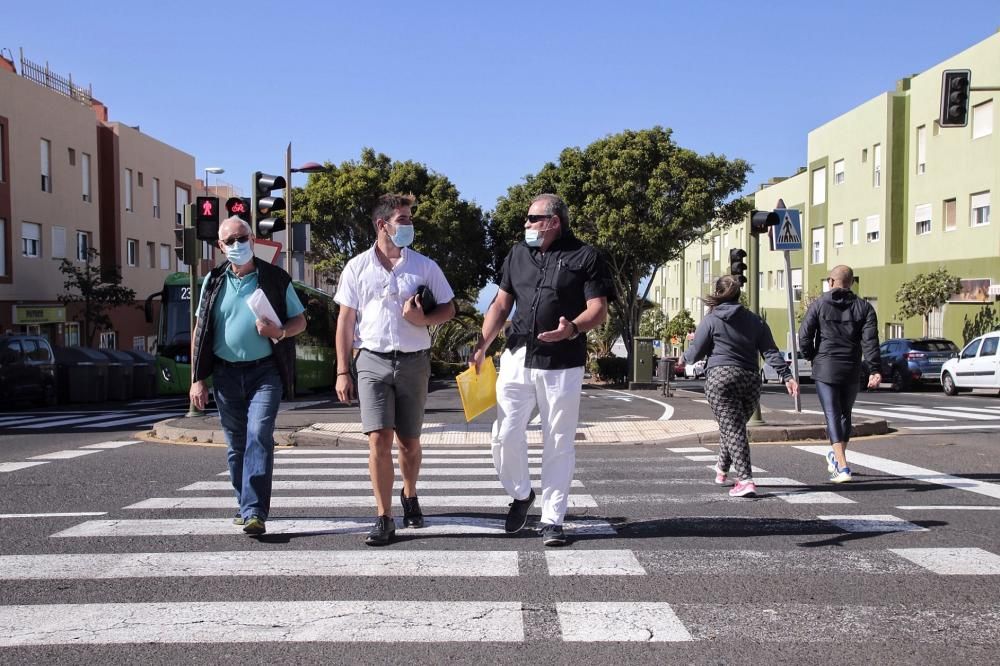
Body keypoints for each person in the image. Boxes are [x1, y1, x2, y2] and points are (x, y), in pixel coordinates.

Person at [470, 193, 614, 547]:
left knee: (559, 440)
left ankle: (553, 519)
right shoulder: (518, 254)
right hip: (517, 356)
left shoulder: (587, 257)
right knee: (504, 435)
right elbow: (502, 303)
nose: (526, 224)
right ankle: (521, 494)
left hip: (562, 362)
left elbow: (598, 309)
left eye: (532, 218)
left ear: (553, 222)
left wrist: (573, 329)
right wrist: (482, 344)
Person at [335, 193, 456, 546]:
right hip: (371, 359)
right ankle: (383, 517)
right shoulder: (356, 267)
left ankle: (410, 492)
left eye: (409, 218)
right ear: (382, 224)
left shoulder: (424, 266)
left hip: (415, 360)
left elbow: (449, 308)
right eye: (403, 219)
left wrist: (424, 319)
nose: (409, 225)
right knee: (379, 439)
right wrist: (343, 370)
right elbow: (345, 320)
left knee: (409, 442)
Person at [190, 216, 307, 536]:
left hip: (265, 372)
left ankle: (255, 510)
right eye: (230, 241)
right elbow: (199, 331)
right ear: (219, 246)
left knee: (259, 434)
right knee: (236, 444)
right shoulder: (212, 281)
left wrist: (280, 332)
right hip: (225, 374)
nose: (237, 245)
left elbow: (300, 321)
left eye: (243, 238)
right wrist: (197, 378)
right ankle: (245, 503)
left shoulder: (274, 277)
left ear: (253, 239)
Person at [684, 275, 799, 498]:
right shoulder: (755, 320)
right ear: (739, 295)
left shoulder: (711, 320)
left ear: (717, 294)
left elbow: (694, 354)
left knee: (733, 429)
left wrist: (684, 357)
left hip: (721, 379)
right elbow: (770, 351)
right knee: (733, 427)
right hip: (750, 381)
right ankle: (722, 468)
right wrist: (787, 375)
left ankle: (745, 480)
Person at [798, 265, 882, 483]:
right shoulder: (864, 308)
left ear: (830, 281)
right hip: (852, 367)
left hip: (825, 367)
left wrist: (812, 356)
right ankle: (838, 456)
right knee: (845, 414)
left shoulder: (818, 305)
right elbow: (870, 341)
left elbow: (804, 335)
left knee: (832, 414)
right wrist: (874, 369)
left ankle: (842, 467)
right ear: (852, 282)